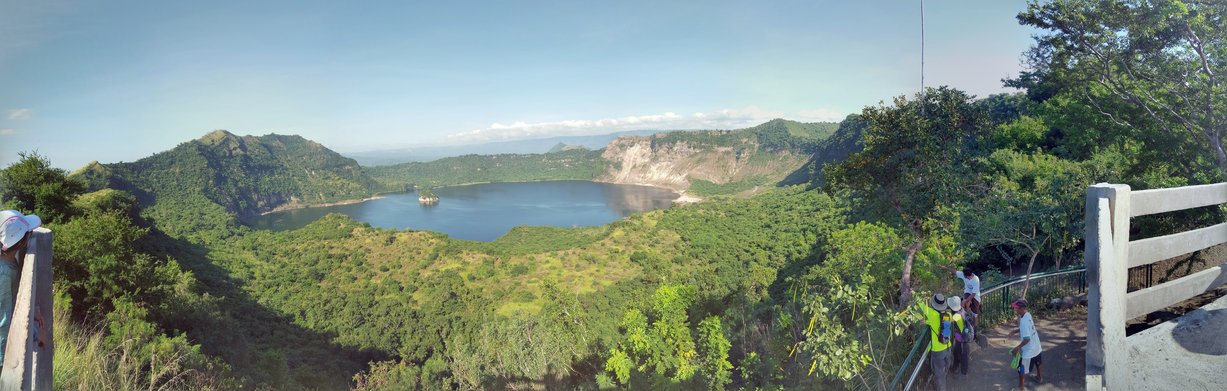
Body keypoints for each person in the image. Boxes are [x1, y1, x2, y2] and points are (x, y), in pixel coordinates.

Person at [0, 210, 41, 367]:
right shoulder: (4, 272)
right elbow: (3, 320)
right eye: (29, 233)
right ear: (22, 243)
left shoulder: (8, 261)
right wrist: (4, 359)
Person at [1009, 299, 1043, 389]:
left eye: (1017, 308)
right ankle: (1039, 377)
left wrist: (1017, 347)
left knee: (1021, 368)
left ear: (1022, 308)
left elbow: (1027, 339)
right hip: (1037, 346)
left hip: (1029, 350)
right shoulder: (1027, 315)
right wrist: (1015, 331)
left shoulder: (1023, 321)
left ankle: (1021, 387)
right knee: (1037, 362)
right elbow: (1028, 329)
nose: (1015, 309)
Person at [922, 293, 952, 391]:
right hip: (948, 345)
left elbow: (921, 305)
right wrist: (927, 322)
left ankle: (942, 388)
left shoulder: (932, 314)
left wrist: (916, 294)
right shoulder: (949, 314)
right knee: (945, 367)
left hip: (938, 350)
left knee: (939, 374)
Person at [947, 296, 971, 377]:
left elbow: (947, 320)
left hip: (962, 339)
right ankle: (955, 367)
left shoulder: (956, 316)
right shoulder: (961, 311)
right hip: (961, 338)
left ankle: (963, 372)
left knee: (962, 355)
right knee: (957, 352)